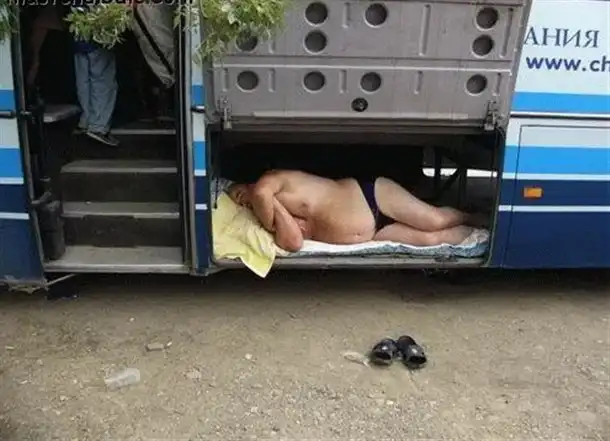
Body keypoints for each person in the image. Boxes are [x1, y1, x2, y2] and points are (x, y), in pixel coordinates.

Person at [228, 170, 483, 253]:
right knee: (431, 239)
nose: (240, 200)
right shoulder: (270, 212)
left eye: (238, 191)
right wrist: (276, 210)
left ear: (247, 183)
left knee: (434, 220)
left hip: (371, 196)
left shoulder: (270, 181)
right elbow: (293, 243)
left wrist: (259, 198)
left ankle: (478, 216)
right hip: (372, 233)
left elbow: (261, 193)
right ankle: (482, 232)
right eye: (237, 201)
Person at [71, 3, 120, 146]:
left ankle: (85, 121)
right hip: (99, 34)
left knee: (83, 81)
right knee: (103, 81)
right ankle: (98, 127)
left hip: (79, 34)